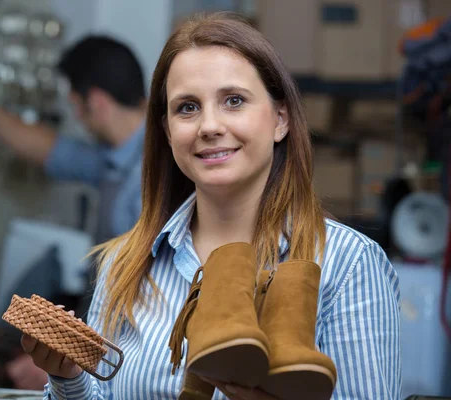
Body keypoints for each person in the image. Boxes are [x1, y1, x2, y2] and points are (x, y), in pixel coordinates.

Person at [21, 12, 401, 400]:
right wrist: (68, 378)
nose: (209, 126)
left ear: (280, 119)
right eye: (187, 107)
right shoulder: (125, 264)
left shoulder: (348, 264)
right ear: (168, 131)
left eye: (233, 101)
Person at [0, 36, 147, 390]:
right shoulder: (113, 159)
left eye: (75, 105)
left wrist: (72, 362)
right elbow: (51, 149)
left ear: (95, 101)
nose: (76, 118)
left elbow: (144, 299)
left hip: (129, 360)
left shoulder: (154, 171)